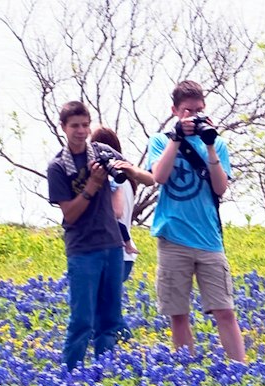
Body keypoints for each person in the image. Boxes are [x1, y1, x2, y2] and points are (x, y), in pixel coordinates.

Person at [138, 81, 241, 360]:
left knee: (225, 310)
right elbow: (158, 177)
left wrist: (209, 148)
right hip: (173, 237)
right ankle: (185, 371)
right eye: (187, 111)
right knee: (178, 313)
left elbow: (220, 188)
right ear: (174, 111)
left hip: (209, 238)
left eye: (199, 111)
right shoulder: (160, 140)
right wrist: (176, 138)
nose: (194, 117)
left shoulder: (217, 143)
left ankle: (241, 371)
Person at [44, 99, 142, 367]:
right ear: (63, 127)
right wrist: (92, 185)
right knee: (82, 321)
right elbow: (70, 215)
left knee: (110, 320)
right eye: (75, 125)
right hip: (83, 249)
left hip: (112, 246)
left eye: (85, 125)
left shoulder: (102, 151)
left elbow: (147, 179)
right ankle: (71, 377)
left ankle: (102, 374)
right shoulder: (57, 167)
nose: (81, 131)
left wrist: (130, 171)